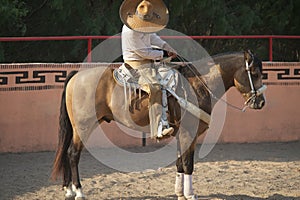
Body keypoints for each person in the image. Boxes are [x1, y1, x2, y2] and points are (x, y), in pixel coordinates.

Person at [119, 0, 177, 139]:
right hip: (136, 63)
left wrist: (166, 47)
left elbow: (152, 37)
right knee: (155, 88)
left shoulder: (143, 25)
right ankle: (158, 128)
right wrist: (162, 54)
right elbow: (142, 52)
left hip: (148, 60)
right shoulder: (130, 31)